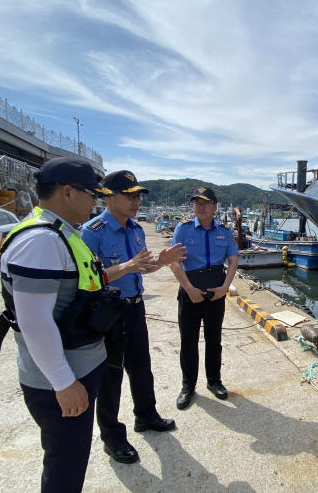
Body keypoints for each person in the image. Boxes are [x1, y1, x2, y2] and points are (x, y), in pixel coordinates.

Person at [0, 157, 113, 492]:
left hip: (78, 366)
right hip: (61, 379)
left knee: (71, 459)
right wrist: (63, 382)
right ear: (67, 192)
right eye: (92, 193)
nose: (96, 201)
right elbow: (34, 320)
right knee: (65, 467)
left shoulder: (62, 234)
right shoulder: (41, 241)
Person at [81, 170, 187, 464]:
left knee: (142, 367)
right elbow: (89, 279)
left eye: (138, 195)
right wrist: (126, 266)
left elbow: (143, 267)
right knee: (110, 376)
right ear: (109, 197)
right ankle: (112, 437)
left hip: (135, 308)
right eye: (130, 196)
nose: (136, 201)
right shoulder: (93, 231)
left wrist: (160, 263)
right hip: (108, 311)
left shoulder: (136, 229)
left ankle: (146, 416)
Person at [169, 187, 238, 410]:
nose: (200, 206)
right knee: (188, 341)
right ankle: (188, 386)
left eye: (205, 202)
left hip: (216, 291)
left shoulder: (224, 230)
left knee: (214, 339)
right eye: (196, 202)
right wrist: (188, 288)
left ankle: (214, 381)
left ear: (215, 206)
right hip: (191, 290)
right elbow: (174, 262)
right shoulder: (184, 228)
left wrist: (224, 288)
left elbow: (233, 260)